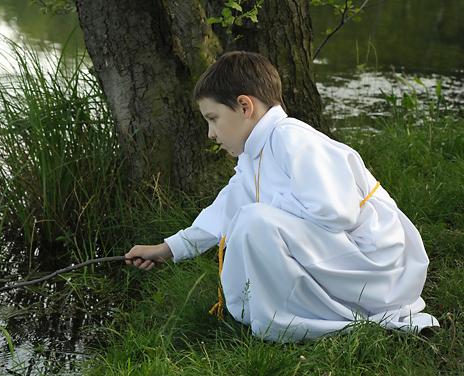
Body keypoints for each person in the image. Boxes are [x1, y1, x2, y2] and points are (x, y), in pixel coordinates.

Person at [124, 51, 438, 342]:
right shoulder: (255, 155)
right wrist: (169, 248)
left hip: (377, 262)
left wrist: (264, 212)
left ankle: (296, 321)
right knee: (249, 217)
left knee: (253, 220)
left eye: (213, 118)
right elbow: (226, 208)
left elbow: (337, 212)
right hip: (346, 254)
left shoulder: (291, 137)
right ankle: (294, 313)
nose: (211, 133)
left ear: (245, 107)